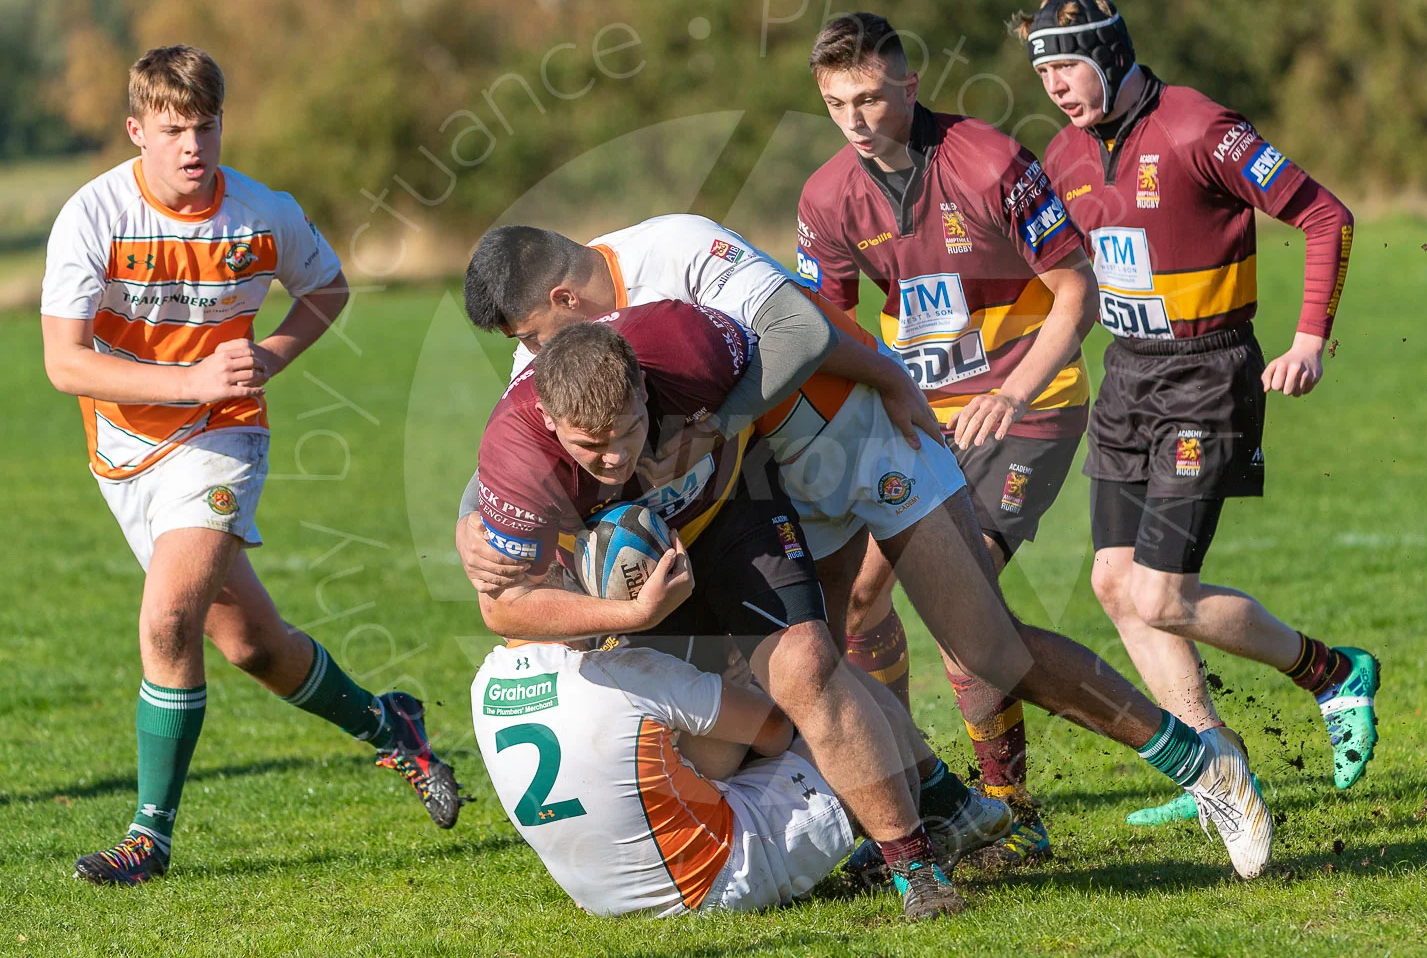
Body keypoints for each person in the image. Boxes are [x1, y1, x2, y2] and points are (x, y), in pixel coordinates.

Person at [456, 221, 1275, 881]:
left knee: (990, 651)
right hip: (775, 480)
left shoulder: (671, 249)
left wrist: (877, 380)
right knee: (813, 670)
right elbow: (527, 429)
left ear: (562, 298)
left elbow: (800, 329)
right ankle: (945, 812)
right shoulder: (571, 353)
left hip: (861, 437)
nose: (531, 353)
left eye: (530, 335)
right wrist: (475, 528)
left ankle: (1202, 764)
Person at [38, 45, 461, 886]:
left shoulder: (263, 214)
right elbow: (64, 363)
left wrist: (265, 357)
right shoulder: (94, 215)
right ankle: (393, 727)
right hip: (124, 448)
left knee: (167, 622)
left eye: (205, 126)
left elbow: (327, 290)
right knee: (252, 647)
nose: (192, 145)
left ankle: (148, 839)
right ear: (136, 131)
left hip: (222, 437)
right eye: (172, 130)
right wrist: (185, 380)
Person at [465, 300, 1007, 919]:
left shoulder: (685, 346)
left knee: (806, 668)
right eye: (591, 445)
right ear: (547, 419)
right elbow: (503, 608)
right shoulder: (516, 454)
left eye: (629, 431)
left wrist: (881, 378)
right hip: (641, 576)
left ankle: (916, 870)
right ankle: (941, 797)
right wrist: (634, 617)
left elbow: (802, 333)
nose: (615, 458)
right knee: (716, 750)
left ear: (644, 388)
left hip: (734, 510)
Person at [1012, 0, 1380, 825]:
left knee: (1161, 596)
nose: (1056, 86)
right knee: (1114, 581)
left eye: (1068, 66)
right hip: (1127, 377)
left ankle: (1333, 673)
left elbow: (1326, 216)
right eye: (1042, 73)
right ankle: (1215, 761)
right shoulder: (1064, 155)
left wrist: (1309, 339)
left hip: (1208, 377)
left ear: (1110, 54)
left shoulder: (1200, 128)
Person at [795, 11, 1100, 861]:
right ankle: (900, 790)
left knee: (963, 605)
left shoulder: (991, 162)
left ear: (910, 84)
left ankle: (1006, 808)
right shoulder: (827, 196)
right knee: (859, 599)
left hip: (1031, 404)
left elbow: (1077, 292)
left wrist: (1011, 392)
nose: (855, 119)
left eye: (868, 98)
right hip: (918, 416)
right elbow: (828, 330)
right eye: (835, 103)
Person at [471, 631, 965, 916]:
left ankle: (945, 802)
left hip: (608, 900)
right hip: (719, 878)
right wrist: (743, 674)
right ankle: (940, 814)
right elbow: (775, 732)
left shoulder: (486, 681)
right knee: (837, 690)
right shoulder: (626, 672)